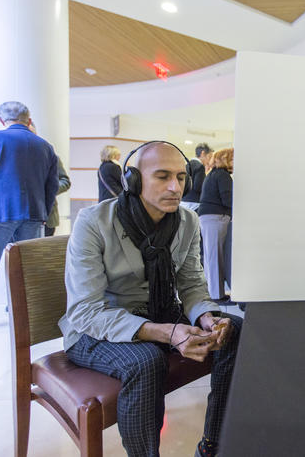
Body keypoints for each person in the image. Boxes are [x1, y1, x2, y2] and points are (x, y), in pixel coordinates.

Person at [58, 141, 241, 457]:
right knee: (145, 360)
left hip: (159, 315)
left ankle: (213, 445)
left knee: (234, 329)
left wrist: (206, 317)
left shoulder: (187, 221)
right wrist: (168, 332)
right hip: (94, 331)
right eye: (162, 176)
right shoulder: (94, 222)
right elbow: (85, 311)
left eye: (182, 177)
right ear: (133, 179)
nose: (175, 187)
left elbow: (191, 284)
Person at [0, 101, 58, 333]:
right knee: (26, 267)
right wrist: (43, 213)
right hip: (34, 214)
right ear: (29, 119)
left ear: (1, 120)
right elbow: (52, 185)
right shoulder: (45, 146)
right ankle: (20, 314)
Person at [198, 148, 233, 300]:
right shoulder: (222, 175)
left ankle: (214, 292)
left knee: (211, 256)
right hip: (216, 217)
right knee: (216, 257)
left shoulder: (213, 174)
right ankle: (216, 295)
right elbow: (228, 199)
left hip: (208, 217)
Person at [29, 122, 71, 236]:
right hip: (18, 218)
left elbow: (65, 181)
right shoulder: (9, 158)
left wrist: (48, 189)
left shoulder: (51, 156)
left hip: (47, 217)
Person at [180, 143, 214, 211]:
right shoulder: (200, 166)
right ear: (203, 153)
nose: (209, 161)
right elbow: (198, 187)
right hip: (194, 203)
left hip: (183, 201)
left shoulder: (187, 165)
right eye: (209, 157)